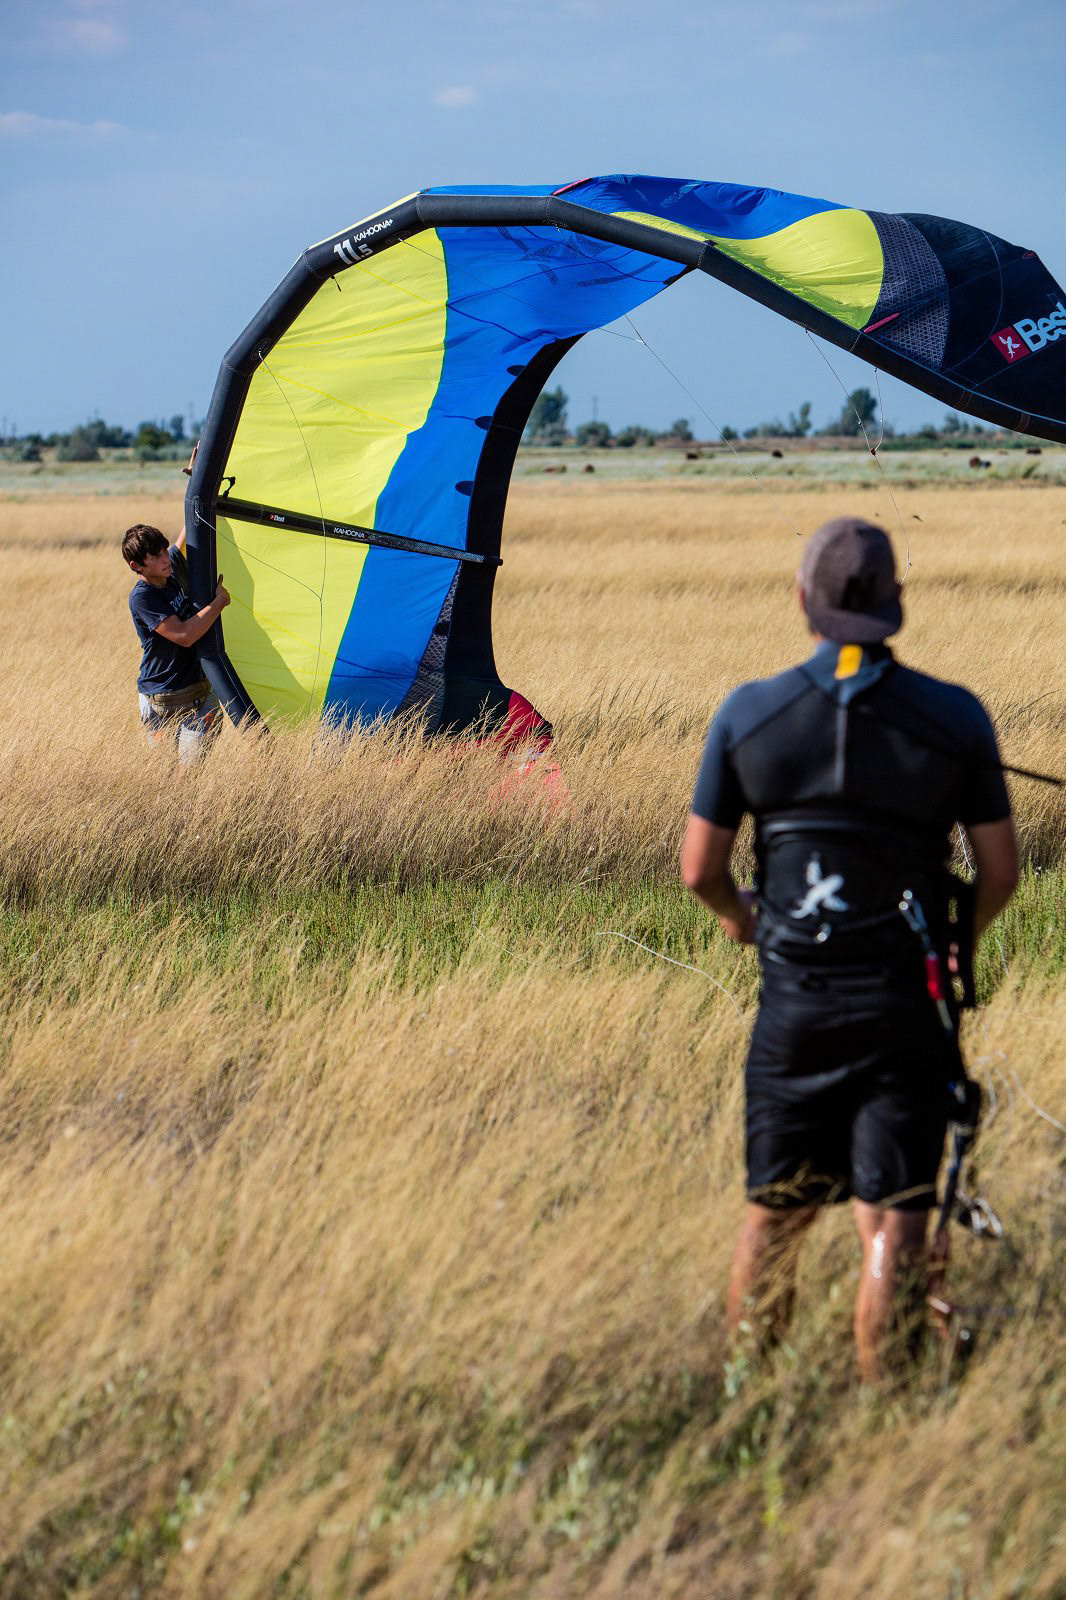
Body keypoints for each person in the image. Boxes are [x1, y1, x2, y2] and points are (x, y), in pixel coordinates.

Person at [681, 516, 1019, 1381]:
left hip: (795, 1007)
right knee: (896, 1223)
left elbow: (700, 871)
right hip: (906, 1004)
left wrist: (742, 918)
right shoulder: (955, 716)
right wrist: (955, 944)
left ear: (803, 599)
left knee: (774, 1216)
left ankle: (751, 1398)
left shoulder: (748, 714)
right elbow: (999, 871)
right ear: (897, 600)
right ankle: (887, 1410)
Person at [123, 522, 230, 764]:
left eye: (163, 550)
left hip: (199, 697)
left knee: (189, 775)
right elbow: (184, 636)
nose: (165, 558)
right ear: (136, 566)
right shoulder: (142, 597)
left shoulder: (170, 567)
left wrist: (210, 504)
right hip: (159, 701)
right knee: (164, 774)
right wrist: (220, 602)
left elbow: (190, 528)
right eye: (155, 556)